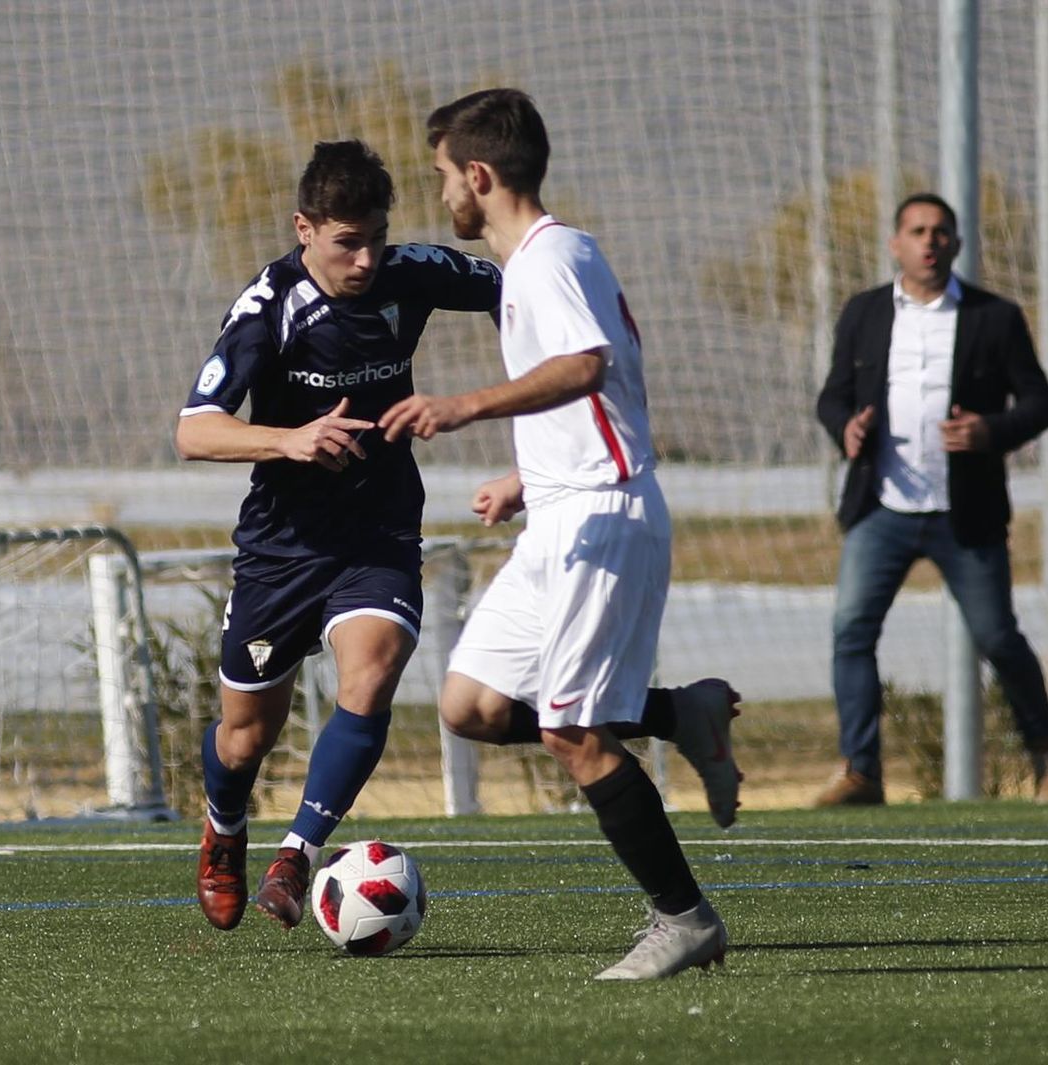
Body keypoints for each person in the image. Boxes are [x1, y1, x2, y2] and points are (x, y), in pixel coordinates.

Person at [375, 87, 736, 979]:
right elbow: (597, 400)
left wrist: (463, 407)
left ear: (481, 175)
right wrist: (526, 478)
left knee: (571, 732)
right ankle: (675, 712)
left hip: (605, 518)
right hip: (563, 511)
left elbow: (586, 366)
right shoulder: (552, 256)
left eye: (444, 177)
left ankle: (684, 918)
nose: (443, 195)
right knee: (474, 707)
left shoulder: (545, 262)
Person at [176, 140, 504, 932]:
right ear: (304, 229)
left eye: (375, 238)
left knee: (372, 671)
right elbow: (195, 430)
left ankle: (297, 855)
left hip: (378, 531)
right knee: (245, 736)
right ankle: (224, 830)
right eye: (345, 242)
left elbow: (514, 284)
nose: (364, 259)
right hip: (282, 547)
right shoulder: (269, 307)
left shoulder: (410, 272)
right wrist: (287, 439)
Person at [813, 192, 1048, 805]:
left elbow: (1041, 402)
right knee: (851, 629)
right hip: (882, 508)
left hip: (966, 515)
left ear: (955, 243)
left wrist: (990, 431)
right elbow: (832, 397)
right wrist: (845, 427)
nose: (929, 241)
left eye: (941, 231)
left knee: (998, 636)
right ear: (896, 244)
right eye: (917, 231)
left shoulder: (993, 317)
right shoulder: (865, 313)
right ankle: (861, 771)